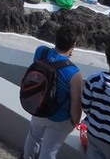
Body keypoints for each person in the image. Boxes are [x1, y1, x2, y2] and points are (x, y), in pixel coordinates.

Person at [22, 25, 83, 159]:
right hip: (59, 118)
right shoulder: (74, 73)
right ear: (73, 45)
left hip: (38, 105)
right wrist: (75, 122)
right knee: (49, 151)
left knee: (33, 138)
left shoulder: (41, 52)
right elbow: (75, 105)